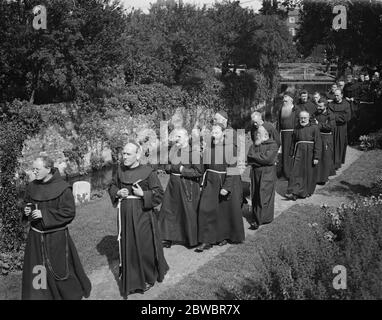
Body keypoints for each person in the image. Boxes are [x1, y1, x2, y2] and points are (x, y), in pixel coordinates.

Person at [21, 156, 91, 300]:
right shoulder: (32, 186)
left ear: (48, 169)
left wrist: (44, 214)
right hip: (35, 237)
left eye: (37, 169)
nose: (34, 172)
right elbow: (27, 203)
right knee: (37, 270)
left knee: (60, 271)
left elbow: (69, 213)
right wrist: (26, 210)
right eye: (33, 169)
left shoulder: (63, 188)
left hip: (56, 238)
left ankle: (68, 295)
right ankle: (40, 296)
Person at [108, 141, 168, 298]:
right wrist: (117, 192)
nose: (124, 156)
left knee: (144, 247)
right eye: (123, 153)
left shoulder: (148, 172)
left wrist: (144, 195)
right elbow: (112, 186)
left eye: (128, 154)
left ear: (138, 155)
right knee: (129, 245)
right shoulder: (120, 170)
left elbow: (159, 194)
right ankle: (133, 278)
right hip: (125, 215)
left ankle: (148, 277)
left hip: (143, 215)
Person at [196, 124, 244, 252]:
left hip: (223, 181)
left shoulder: (229, 148)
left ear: (223, 133)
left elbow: (233, 169)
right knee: (205, 208)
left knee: (223, 212)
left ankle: (222, 236)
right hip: (210, 181)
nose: (213, 134)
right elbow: (204, 166)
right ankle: (206, 240)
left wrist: (227, 186)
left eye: (216, 132)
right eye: (213, 132)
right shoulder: (209, 147)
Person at [159, 128, 203, 248]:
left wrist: (182, 170)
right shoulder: (174, 151)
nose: (176, 139)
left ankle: (191, 239)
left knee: (188, 211)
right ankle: (168, 237)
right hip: (173, 184)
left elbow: (198, 172)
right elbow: (167, 165)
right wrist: (169, 168)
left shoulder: (193, 152)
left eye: (179, 137)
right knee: (169, 209)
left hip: (187, 185)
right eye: (175, 136)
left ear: (186, 137)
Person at [285, 111, 321, 200]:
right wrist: (291, 153)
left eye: (305, 118)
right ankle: (294, 192)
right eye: (301, 118)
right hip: (298, 153)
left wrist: (316, 157)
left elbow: (318, 143)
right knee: (295, 172)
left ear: (308, 118)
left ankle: (306, 192)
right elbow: (293, 141)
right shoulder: (296, 128)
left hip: (310, 153)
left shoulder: (314, 128)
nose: (303, 120)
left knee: (308, 173)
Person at [247, 126, 278, 230]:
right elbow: (249, 157)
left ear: (266, 135)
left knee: (264, 195)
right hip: (255, 173)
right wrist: (260, 158)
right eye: (256, 134)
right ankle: (256, 216)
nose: (256, 136)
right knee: (255, 194)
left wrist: (256, 158)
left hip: (267, 173)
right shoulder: (254, 145)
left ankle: (260, 220)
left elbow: (268, 159)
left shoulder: (273, 145)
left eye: (259, 134)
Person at [314, 99, 336, 184]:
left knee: (325, 158)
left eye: (320, 106)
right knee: (318, 157)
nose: (318, 108)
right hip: (317, 137)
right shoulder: (316, 113)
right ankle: (317, 178)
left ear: (325, 106)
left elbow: (331, 126)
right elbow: (312, 121)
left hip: (326, 138)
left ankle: (323, 178)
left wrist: (318, 124)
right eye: (318, 105)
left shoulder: (330, 115)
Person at [329, 89, 351, 170]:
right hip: (333, 127)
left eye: (338, 95)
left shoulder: (346, 104)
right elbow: (329, 115)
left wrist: (335, 117)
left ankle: (337, 163)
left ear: (341, 95)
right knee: (332, 144)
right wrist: (337, 117)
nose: (336, 97)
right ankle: (331, 162)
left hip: (342, 128)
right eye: (335, 95)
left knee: (340, 144)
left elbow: (346, 117)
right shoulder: (331, 104)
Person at [277, 94, 296, 180]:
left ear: (291, 100)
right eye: (283, 101)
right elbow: (278, 123)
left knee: (290, 153)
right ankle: (283, 172)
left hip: (292, 134)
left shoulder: (296, 109)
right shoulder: (281, 109)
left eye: (286, 101)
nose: (284, 103)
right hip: (283, 134)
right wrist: (277, 134)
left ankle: (289, 173)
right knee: (283, 154)